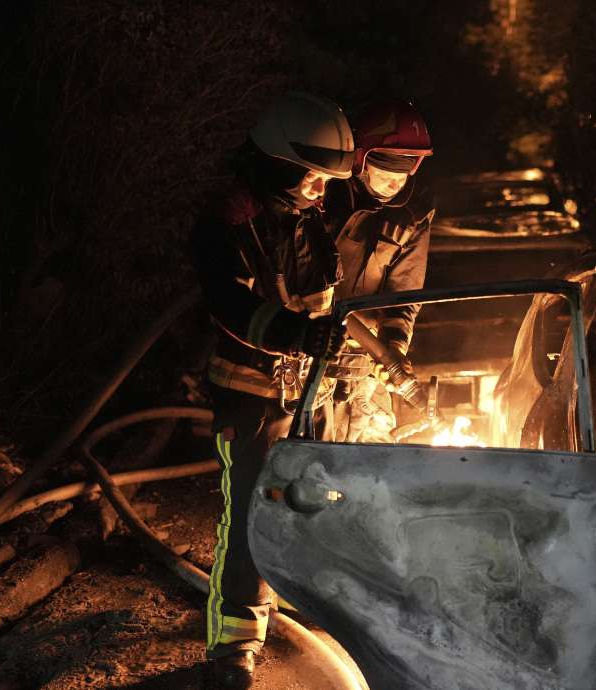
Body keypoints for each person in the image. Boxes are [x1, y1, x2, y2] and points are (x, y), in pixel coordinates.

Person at [189, 91, 352, 688]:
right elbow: (230, 300)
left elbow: (324, 299)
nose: (321, 190)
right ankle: (232, 648)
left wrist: (338, 354)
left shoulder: (306, 217)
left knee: (320, 503)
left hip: (312, 392)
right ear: (281, 161)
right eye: (314, 177)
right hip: (252, 397)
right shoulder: (229, 221)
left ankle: (316, 604)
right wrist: (292, 334)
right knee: (254, 518)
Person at [322, 100, 435, 440]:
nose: (392, 185)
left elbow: (404, 297)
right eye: (385, 173)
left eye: (401, 176)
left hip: (363, 365)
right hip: (307, 351)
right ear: (361, 160)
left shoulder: (411, 216)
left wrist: (394, 349)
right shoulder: (322, 197)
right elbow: (309, 288)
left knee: (370, 460)